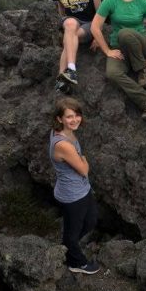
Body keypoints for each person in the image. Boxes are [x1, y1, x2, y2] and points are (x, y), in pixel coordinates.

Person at [91, 0, 146, 120]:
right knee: (112, 73)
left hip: (141, 45)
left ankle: (141, 69)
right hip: (119, 48)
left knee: (125, 33)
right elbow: (95, 27)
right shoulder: (111, 0)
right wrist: (107, 51)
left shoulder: (144, 2)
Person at [49, 97, 99, 274]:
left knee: (90, 220)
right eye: (69, 117)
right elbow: (84, 169)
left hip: (81, 189)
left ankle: (68, 246)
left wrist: (81, 162)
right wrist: (84, 160)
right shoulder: (63, 144)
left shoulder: (66, 131)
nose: (75, 119)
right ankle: (76, 262)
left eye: (77, 115)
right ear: (59, 119)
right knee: (73, 230)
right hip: (72, 195)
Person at [52, 0, 101, 89]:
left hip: (89, 25)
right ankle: (71, 70)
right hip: (71, 22)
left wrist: (98, 36)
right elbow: (62, 12)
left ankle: (61, 77)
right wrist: (64, 27)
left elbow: (100, 12)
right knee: (69, 23)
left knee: (69, 37)